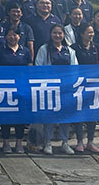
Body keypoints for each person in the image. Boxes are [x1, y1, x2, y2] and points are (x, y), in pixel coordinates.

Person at [35, 24, 77, 155]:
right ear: (50, 34)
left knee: (65, 116)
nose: (57, 35)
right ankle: (48, 142)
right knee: (49, 116)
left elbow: (75, 69)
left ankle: (65, 142)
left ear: (64, 35)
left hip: (65, 88)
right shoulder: (44, 49)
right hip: (49, 87)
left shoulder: (69, 50)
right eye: (55, 33)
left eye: (60, 33)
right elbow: (38, 66)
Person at [0, 26, 31, 154]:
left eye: (15, 35)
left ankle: (19, 142)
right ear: (5, 37)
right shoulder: (0, 50)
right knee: (6, 116)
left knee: (20, 116)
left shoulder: (25, 51)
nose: (12, 37)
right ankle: (6, 142)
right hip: (5, 87)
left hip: (21, 88)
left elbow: (29, 69)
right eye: (9, 35)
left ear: (19, 36)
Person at [71, 22, 99, 153]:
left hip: (93, 85)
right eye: (89, 32)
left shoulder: (97, 47)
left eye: (92, 32)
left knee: (92, 114)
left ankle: (90, 141)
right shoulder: (74, 48)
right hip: (79, 85)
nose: (91, 35)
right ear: (81, 34)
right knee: (79, 113)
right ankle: (79, 141)